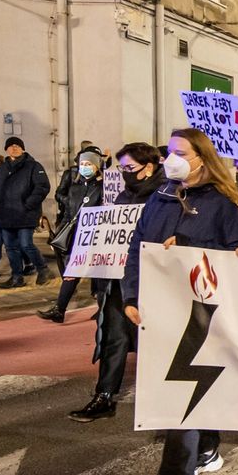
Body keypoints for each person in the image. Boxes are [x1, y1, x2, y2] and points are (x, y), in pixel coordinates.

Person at [126, 128, 238, 475]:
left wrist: (191, 247)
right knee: (192, 388)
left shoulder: (224, 202)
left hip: (202, 313)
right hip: (160, 310)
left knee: (181, 389)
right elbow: (138, 247)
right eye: (169, 152)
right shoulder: (161, 197)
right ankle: (207, 449)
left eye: (180, 152)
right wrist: (131, 294)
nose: (171, 159)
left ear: (201, 157)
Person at [69, 142, 165, 422]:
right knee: (114, 335)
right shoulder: (124, 196)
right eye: (122, 168)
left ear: (148, 168)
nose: (124, 173)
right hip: (119, 278)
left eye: (129, 168)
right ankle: (105, 395)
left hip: (154, 280)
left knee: (158, 339)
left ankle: (164, 398)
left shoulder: (167, 196)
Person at [40, 148, 106, 322]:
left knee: (99, 274)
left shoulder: (104, 188)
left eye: (89, 164)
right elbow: (69, 213)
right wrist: (63, 231)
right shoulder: (75, 188)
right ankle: (59, 310)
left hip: (96, 237)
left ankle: (103, 310)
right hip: (78, 237)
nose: (84, 167)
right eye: (82, 164)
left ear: (97, 166)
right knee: (72, 271)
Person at [0, 137, 51, 288]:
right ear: (6, 149)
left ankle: (42, 269)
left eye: (17, 146)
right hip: (6, 214)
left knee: (26, 245)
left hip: (25, 214)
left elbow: (42, 187)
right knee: (10, 247)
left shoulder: (33, 166)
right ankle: (17, 277)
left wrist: (28, 204)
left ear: (23, 148)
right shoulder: (2, 168)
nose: (14, 148)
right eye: (10, 146)